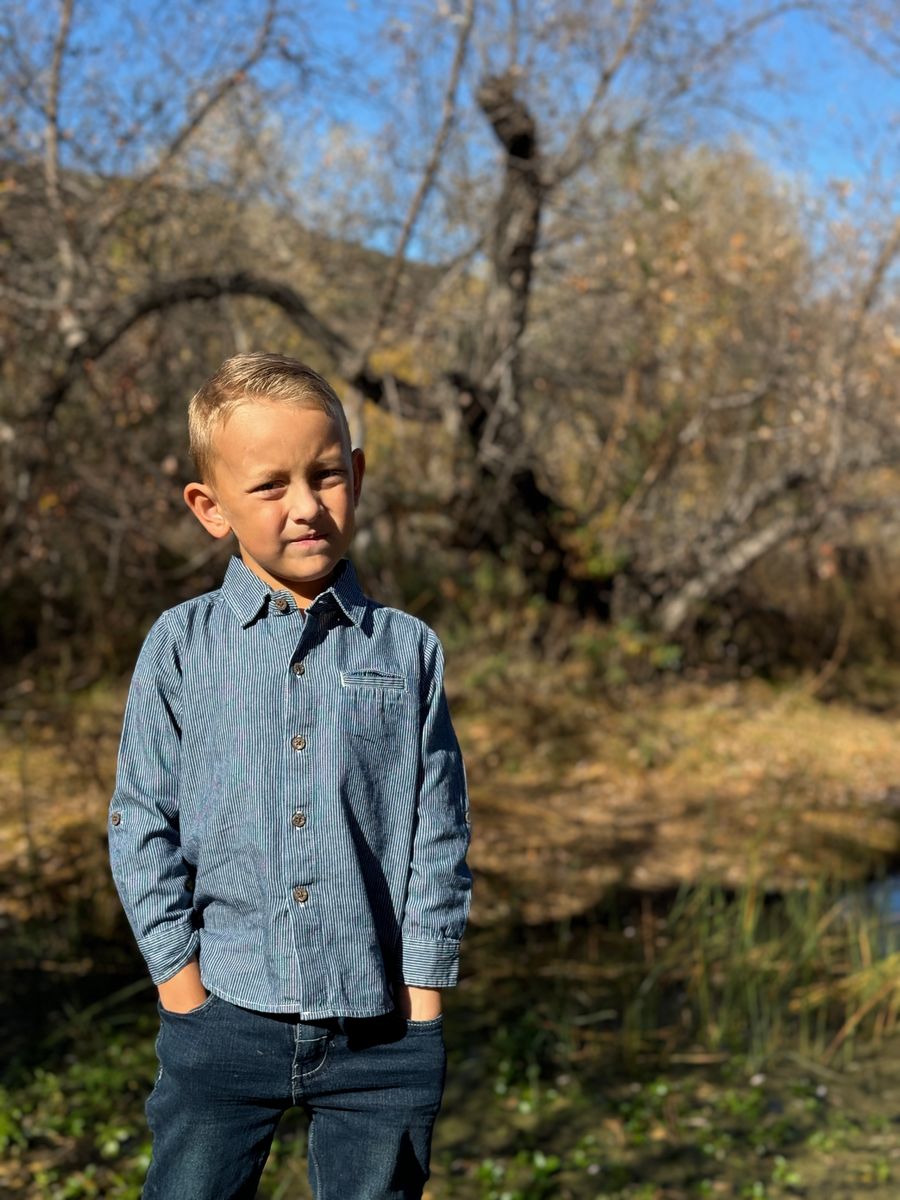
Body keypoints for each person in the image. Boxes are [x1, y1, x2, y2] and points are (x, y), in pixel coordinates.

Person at [107, 352, 473, 1199]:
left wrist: (423, 1009)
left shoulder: (407, 649)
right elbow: (140, 823)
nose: (306, 506)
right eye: (270, 486)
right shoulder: (181, 646)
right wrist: (183, 992)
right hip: (224, 1017)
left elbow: (438, 838)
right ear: (211, 507)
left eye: (326, 475)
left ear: (358, 476)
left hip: (381, 1035)